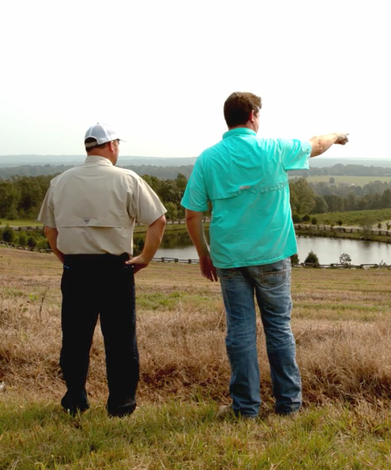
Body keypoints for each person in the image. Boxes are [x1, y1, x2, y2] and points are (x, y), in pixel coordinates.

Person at [181, 91, 348, 418]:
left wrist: (204, 254)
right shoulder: (274, 150)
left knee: (240, 332)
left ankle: (245, 408)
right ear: (253, 115)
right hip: (272, 255)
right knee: (278, 328)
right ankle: (288, 406)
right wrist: (338, 136)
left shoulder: (208, 159)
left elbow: (192, 214)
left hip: (229, 259)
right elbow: (316, 143)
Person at [38, 123, 167, 417]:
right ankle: (121, 404)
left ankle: (75, 398)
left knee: (74, 338)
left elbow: (49, 230)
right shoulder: (128, 179)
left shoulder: (60, 182)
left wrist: (65, 259)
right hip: (115, 269)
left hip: (76, 269)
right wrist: (145, 257)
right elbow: (157, 220)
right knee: (121, 339)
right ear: (111, 146)